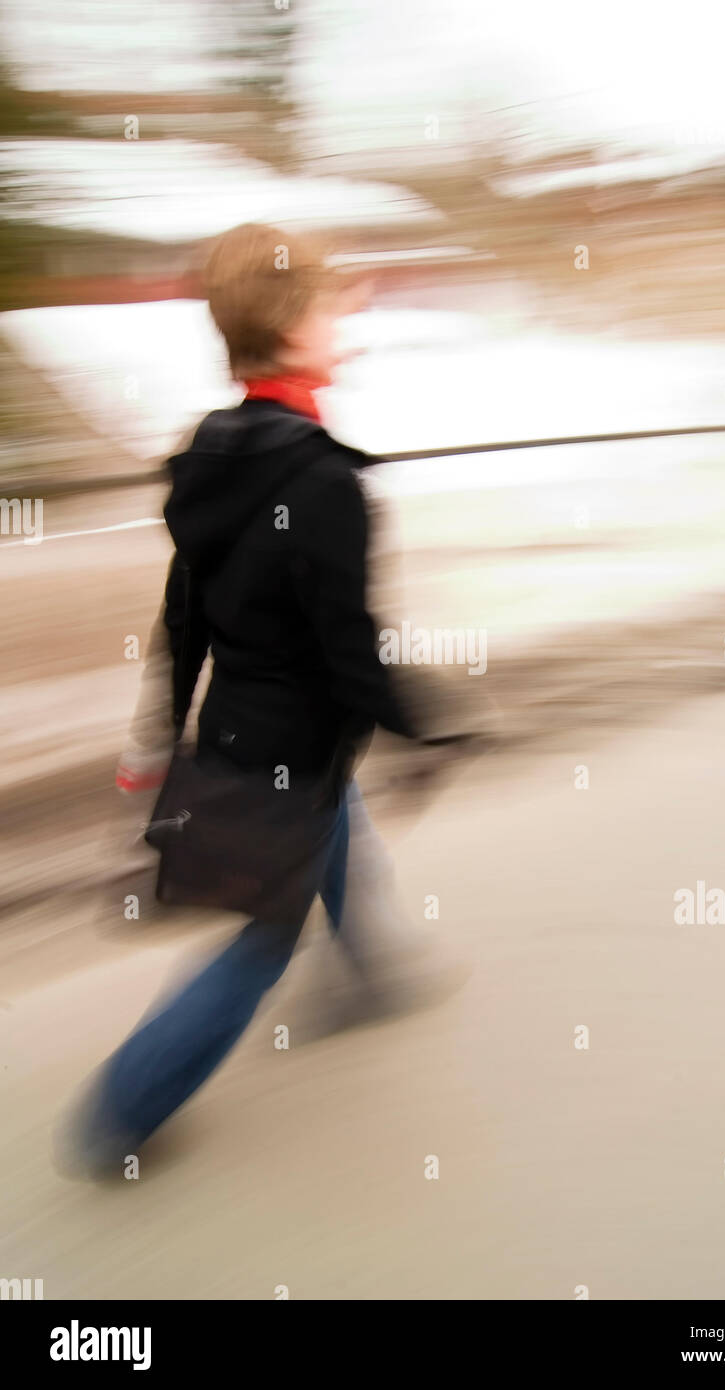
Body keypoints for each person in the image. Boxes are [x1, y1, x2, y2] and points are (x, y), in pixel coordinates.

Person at [61, 223, 470, 1177]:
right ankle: (121, 1112)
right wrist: (435, 724)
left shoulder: (212, 455)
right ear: (289, 326)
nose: (349, 328)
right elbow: (351, 659)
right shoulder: (324, 479)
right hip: (290, 742)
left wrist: (158, 735)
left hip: (251, 732)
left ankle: (368, 971)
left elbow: (184, 615)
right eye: (333, 309)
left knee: (339, 812)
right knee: (263, 938)